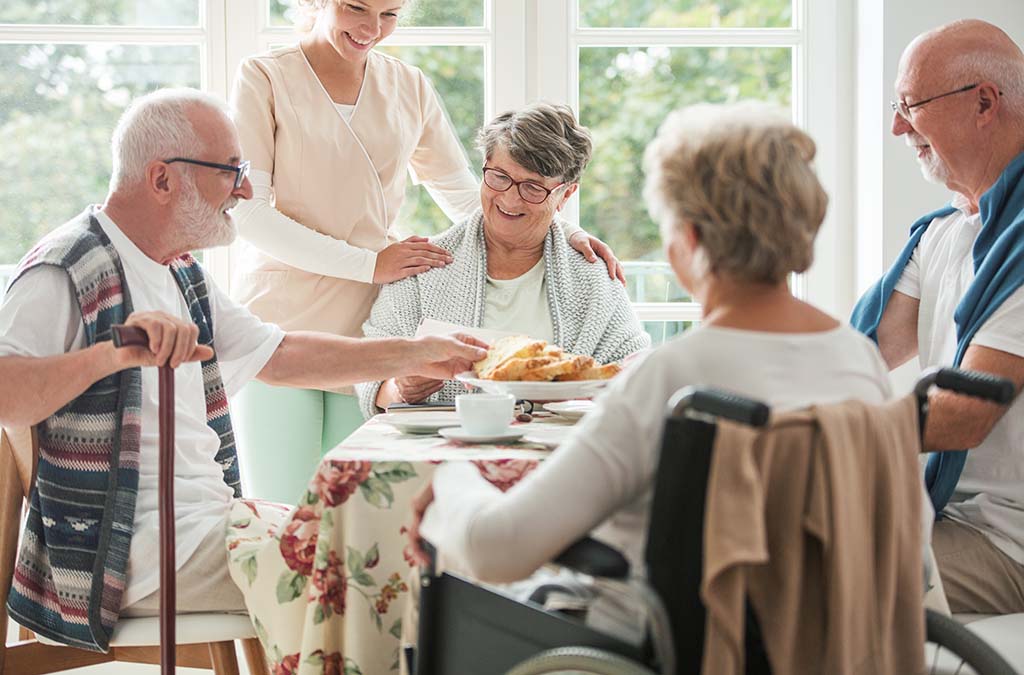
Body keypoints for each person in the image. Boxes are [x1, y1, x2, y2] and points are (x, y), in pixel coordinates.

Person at [0, 88, 486, 653]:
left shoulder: (181, 273)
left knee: (403, 541)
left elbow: (280, 355)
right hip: (131, 551)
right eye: (230, 170)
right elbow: (7, 396)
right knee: (374, 570)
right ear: (162, 180)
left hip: (210, 524)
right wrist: (113, 353)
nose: (247, 188)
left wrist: (414, 352)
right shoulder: (65, 267)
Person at [407, 103, 896, 614]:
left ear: (688, 238)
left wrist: (450, 480)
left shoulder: (674, 378)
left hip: (661, 646)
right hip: (829, 642)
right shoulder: (859, 360)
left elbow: (497, 550)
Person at [229, 0, 624, 502]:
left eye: (390, 14)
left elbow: (465, 191)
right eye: (357, 8)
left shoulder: (408, 85)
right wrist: (370, 263)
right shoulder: (263, 77)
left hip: (368, 322)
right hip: (282, 319)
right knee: (283, 510)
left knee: (352, 510)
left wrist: (563, 231)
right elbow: (249, 214)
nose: (373, 29)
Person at [851, 19, 1024, 615]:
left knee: (800, 572)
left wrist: (808, 437)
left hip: (1009, 542)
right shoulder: (946, 231)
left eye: (910, 106)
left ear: (983, 103)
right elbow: (853, 356)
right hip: (952, 514)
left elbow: (961, 416)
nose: (898, 126)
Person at [356, 103, 650, 416]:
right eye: (499, 177)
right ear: (484, 167)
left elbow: (636, 376)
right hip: (445, 451)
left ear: (565, 195)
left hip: (560, 452)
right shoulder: (422, 268)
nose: (510, 199)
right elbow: (369, 379)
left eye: (533, 187)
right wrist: (402, 387)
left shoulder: (592, 278)